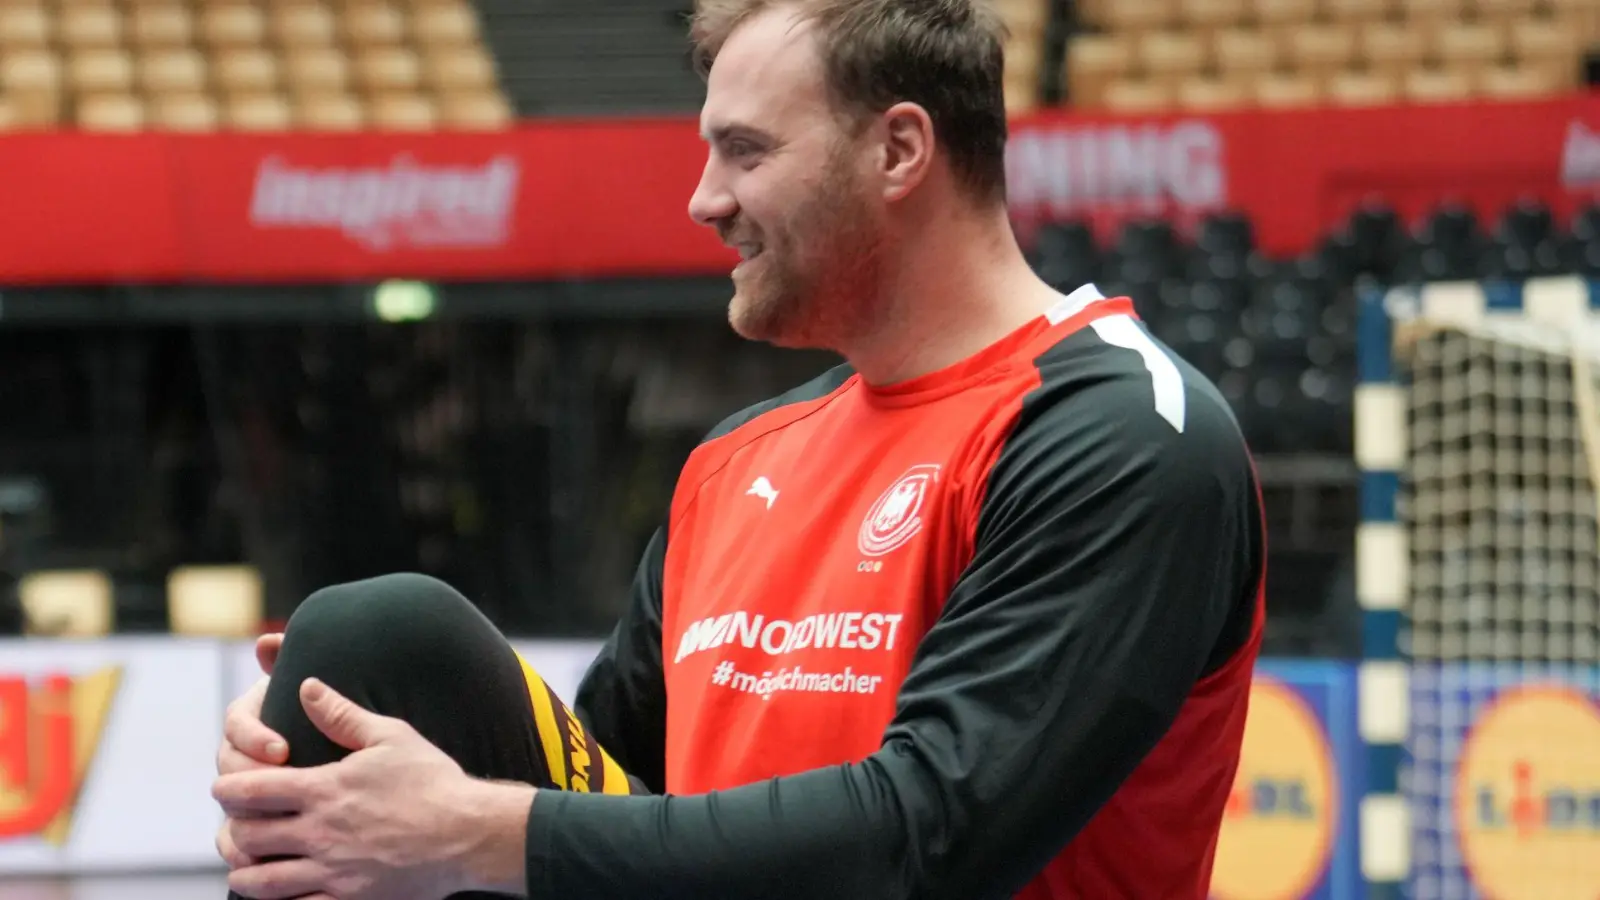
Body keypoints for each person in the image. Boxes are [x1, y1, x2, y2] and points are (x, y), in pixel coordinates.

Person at [211, 0, 1268, 897]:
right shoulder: (736, 459)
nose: (703, 200)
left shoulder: (1120, 432)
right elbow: (614, 802)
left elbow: (934, 834)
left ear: (899, 150)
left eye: (746, 151)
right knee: (376, 639)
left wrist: (475, 831)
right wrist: (330, 799)